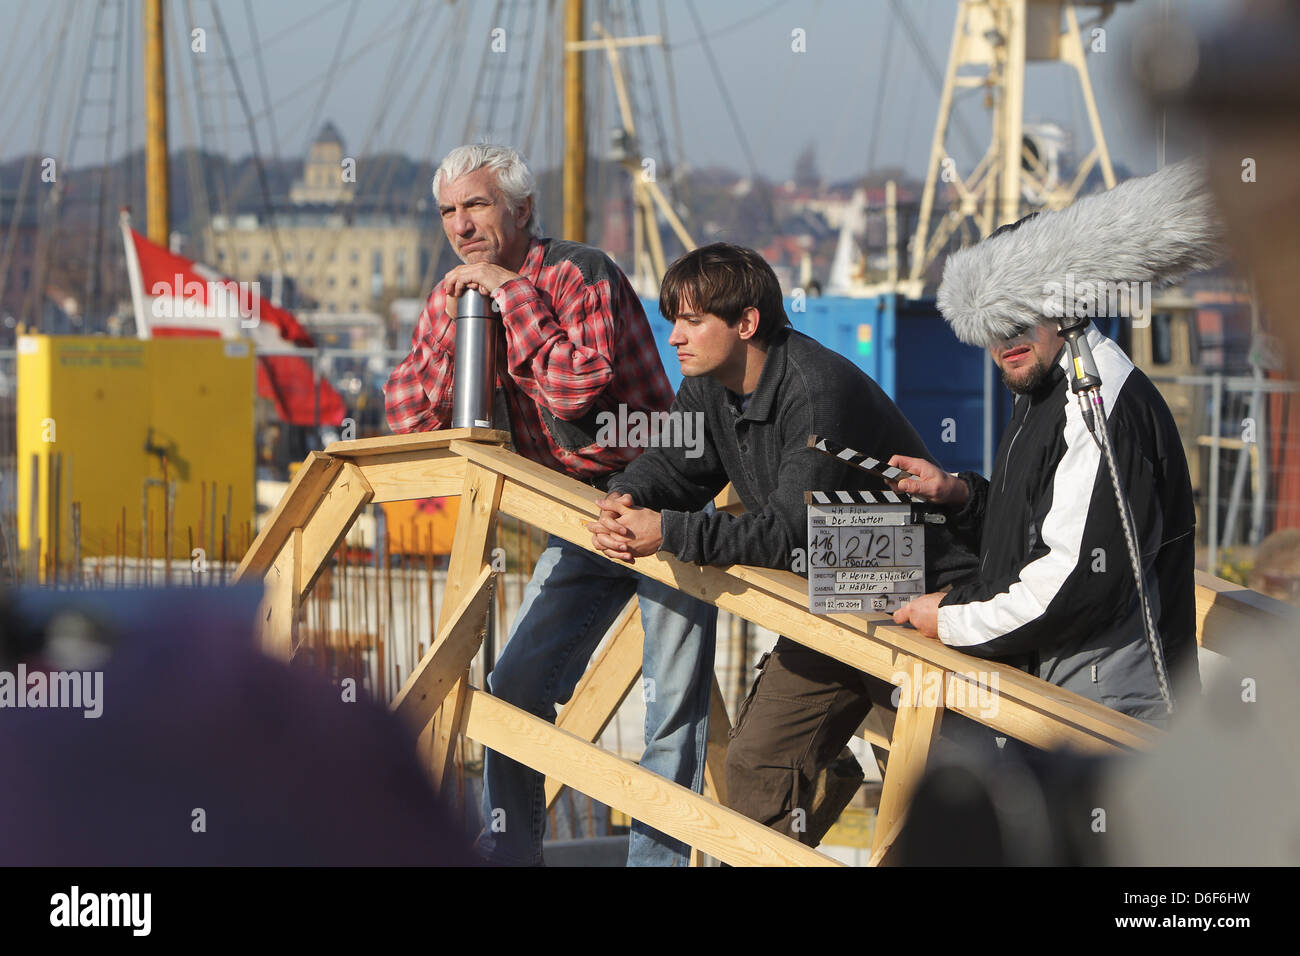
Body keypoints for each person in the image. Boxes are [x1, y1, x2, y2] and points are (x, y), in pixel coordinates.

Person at [383, 144, 717, 867]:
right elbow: (407, 415)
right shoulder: (457, 294)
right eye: (448, 210)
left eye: (477, 204)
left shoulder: (577, 272)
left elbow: (573, 392)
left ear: (522, 209)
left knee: (672, 711)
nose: (461, 225)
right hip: (578, 511)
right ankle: (510, 857)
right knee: (512, 690)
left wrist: (512, 296)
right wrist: (457, 321)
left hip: (665, 502)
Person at [587, 242, 978, 847]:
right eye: (674, 322)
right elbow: (676, 464)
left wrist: (669, 530)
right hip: (841, 589)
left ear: (746, 323)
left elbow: (788, 530)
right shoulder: (711, 382)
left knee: (942, 794)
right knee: (755, 767)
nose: (675, 339)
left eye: (692, 321)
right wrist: (628, 495)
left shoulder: (817, 393)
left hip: (919, 597)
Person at [890, 162, 1219, 726]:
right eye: (991, 326)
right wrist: (962, 496)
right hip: (1060, 682)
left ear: (1063, 303)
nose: (1005, 341)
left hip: (1104, 702)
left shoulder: (1095, 400)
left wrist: (951, 619)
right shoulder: (1045, 385)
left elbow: (1070, 581)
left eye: (1019, 316)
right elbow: (1048, 525)